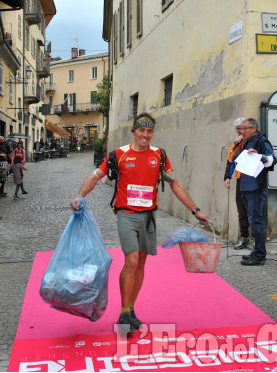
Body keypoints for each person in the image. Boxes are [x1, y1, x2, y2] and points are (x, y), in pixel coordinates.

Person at [70, 113, 210, 333]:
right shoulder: (119, 155)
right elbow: (95, 176)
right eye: (142, 130)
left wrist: (196, 210)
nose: (146, 135)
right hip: (126, 213)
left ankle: (131, 308)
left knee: (142, 262)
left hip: (148, 215)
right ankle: (124, 312)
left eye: (150, 131)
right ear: (133, 131)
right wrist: (80, 196)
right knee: (132, 259)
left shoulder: (159, 157)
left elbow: (175, 185)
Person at [237, 118, 275, 266]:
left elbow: (271, 160)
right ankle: (256, 251)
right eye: (241, 129)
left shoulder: (262, 140)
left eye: (245, 128)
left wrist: (261, 156)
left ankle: (260, 255)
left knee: (256, 221)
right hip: (246, 186)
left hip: (256, 187)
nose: (242, 131)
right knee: (253, 221)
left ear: (254, 128)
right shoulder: (247, 141)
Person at [223, 117, 251, 250]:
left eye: (243, 129)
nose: (241, 132)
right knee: (241, 210)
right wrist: (227, 176)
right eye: (238, 129)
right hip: (241, 179)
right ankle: (244, 238)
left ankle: (256, 238)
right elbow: (230, 159)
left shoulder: (252, 141)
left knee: (254, 211)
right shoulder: (236, 143)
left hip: (252, 180)